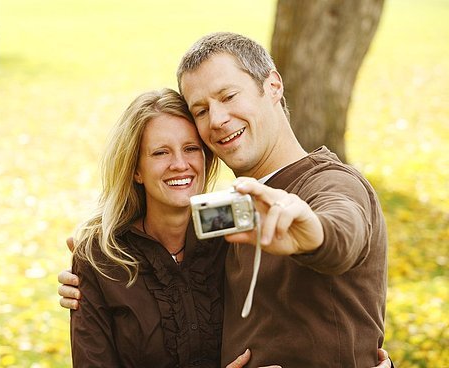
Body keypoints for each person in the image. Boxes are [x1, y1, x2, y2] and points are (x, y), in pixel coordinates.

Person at [60, 32, 392, 367]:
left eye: (229, 96)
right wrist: (96, 272)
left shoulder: (332, 183)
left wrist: (314, 233)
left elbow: (343, 231)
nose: (217, 120)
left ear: (273, 86)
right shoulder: (229, 217)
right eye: (201, 110)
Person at [70, 88, 253, 367]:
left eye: (191, 149)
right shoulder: (101, 258)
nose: (180, 165)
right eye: (160, 153)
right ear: (136, 170)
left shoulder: (236, 232)